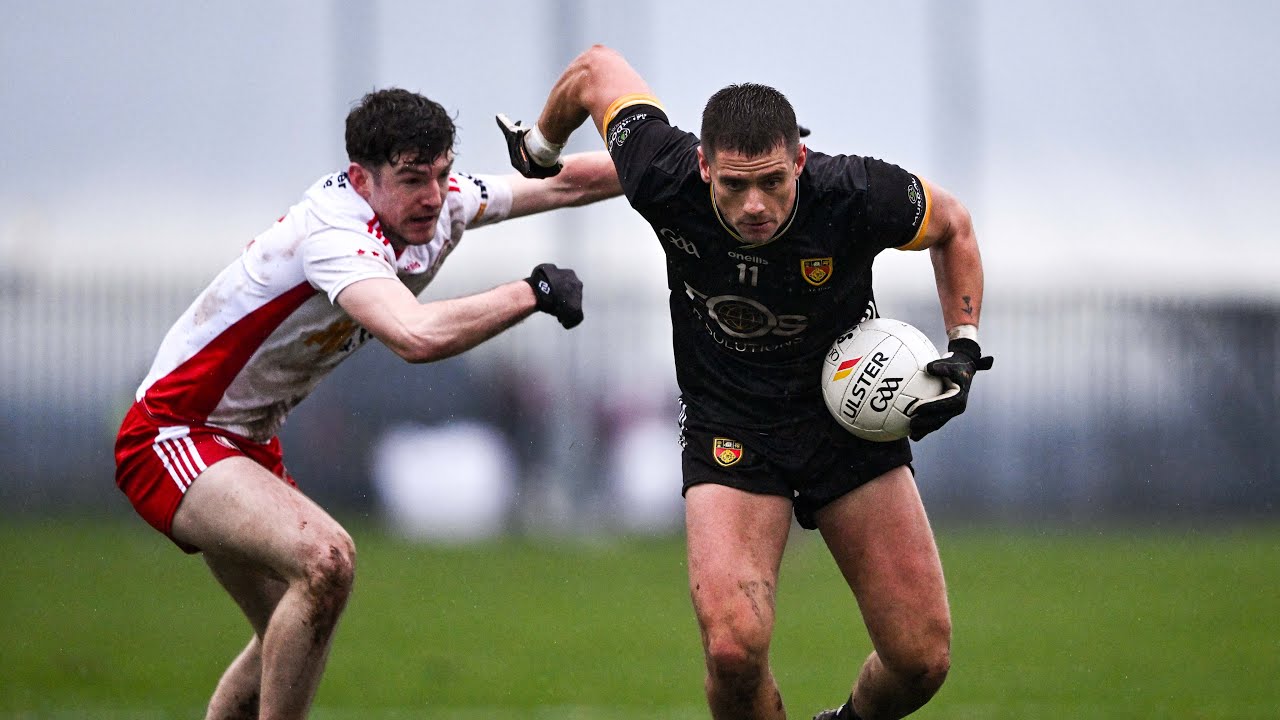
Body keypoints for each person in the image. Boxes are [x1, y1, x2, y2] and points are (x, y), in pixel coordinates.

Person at [497, 45, 992, 720]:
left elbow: (953, 227)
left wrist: (963, 349)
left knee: (920, 661)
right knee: (733, 653)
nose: (753, 204)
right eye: (733, 185)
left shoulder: (854, 194)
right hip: (730, 423)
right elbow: (593, 70)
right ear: (702, 166)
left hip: (844, 425)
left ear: (799, 162)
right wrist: (540, 146)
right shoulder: (662, 173)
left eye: (772, 182)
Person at [113, 87, 620, 719]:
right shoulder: (334, 231)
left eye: (440, 174)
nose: (433, 195)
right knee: (327, 562)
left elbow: (565, 185)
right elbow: (414, 335)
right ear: (361, 178)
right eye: (413, 179)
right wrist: (531, 291)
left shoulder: (442, 202)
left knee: (286, 631)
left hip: (246, 444)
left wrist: (685, 165)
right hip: (175, 435)